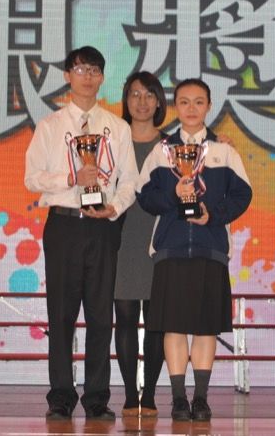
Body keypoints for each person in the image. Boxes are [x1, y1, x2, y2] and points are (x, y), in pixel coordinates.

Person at [24, 46, 139, 421]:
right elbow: (32, 178)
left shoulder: (117, 128)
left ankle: (97, 398)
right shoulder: (50, 126)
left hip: (102, 226)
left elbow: (130, 181)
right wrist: (71, 178)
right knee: (61, 315)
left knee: (101, 315)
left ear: (102, 77)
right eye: (80, 69)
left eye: (94, 70)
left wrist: (114, 208)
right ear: (67, 76)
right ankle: (60, 396)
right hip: (63, 225)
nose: (87, 76)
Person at [136, 78, 253, 422]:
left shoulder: (224, 151)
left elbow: (242, 195)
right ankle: (178, 399)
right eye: (184, 102)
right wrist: (173, 196)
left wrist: (212, 215)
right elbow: (144, 196)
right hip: (171, 248)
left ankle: (200, 398)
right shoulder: (162, 151)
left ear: (209, 106)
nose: (191, 108)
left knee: (205, 327)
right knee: (173, 327)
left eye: (198, 102)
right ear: (176, 106)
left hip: (210, 247)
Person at [113, 72, 168, 417]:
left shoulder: (171, 146)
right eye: (135, 94)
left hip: (159, 238)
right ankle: (130, 395)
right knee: (125, 317)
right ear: (126, 100)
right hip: (121, 237)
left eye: (149, 95)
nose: (142, 102)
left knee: (156, 320)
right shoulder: (113, 142)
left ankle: (149, 395)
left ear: (159, 101)